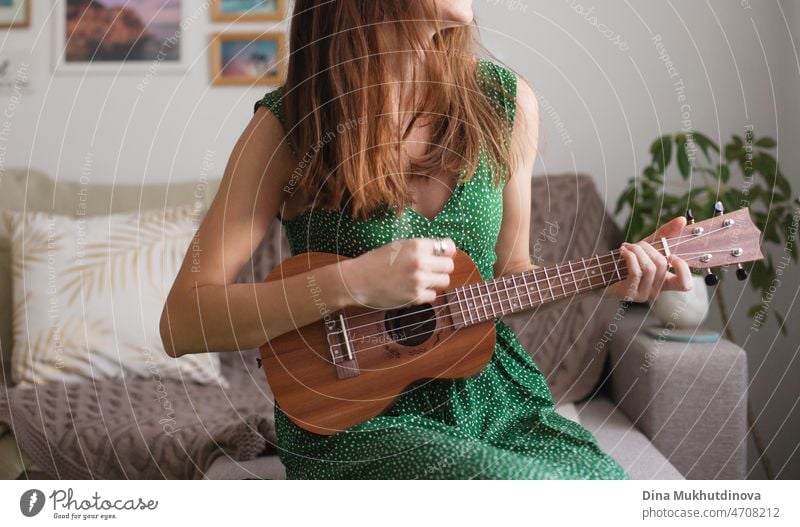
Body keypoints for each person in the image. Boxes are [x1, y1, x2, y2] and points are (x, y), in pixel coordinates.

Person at [160, 0, 693, 479]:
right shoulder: (288, 126)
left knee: (603, 489)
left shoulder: (506, 103)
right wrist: (353, 281)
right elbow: (181, 322)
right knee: (518, 488)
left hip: (495, 398)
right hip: (353, 418)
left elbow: (510, 275)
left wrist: (612, 280)